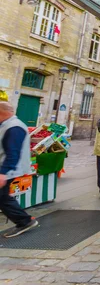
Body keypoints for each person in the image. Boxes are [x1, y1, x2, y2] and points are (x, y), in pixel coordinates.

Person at [0, 102, 39, 238]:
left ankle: (25, 221)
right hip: (6, 169)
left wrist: (3, 173)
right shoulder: (7, 125)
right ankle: (24, 221)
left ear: (3, 113)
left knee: (3, 198)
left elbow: (13, 153)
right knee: (3, 198)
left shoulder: (14, 127)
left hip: (8, 169)